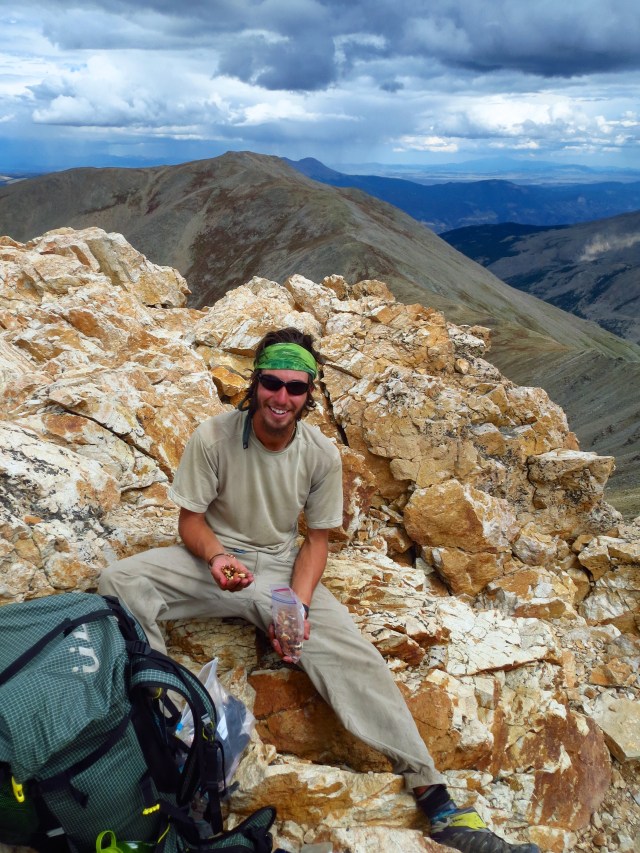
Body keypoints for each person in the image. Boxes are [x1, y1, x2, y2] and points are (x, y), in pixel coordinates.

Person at [99, 327, 539, 853]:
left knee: (355, 658)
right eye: (271, 383)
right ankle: (166, 719)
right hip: (219, 559)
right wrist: (217, 558)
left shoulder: (320, 454)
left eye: (295, 388)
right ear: (254, 384)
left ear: (310, 393)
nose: (281, 398)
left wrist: (298, 609)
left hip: (283, 568)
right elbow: (190, 522)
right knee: (120, 581)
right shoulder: (213, 437)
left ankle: (436, 798)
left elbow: (317, 542)